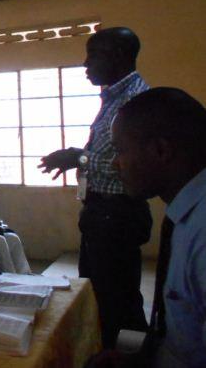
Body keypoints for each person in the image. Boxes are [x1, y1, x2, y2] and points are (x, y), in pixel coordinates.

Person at [39, 26, 152, 348]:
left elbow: (132, 163)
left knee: (116, 300)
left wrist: (79, 157)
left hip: (116, 216)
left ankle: (125, 356)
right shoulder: (114, 98)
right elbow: (109, 152)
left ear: (118, 56)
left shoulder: (134, 101)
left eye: (93, 55)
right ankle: (110, 350)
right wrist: (80, 157)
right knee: (100, 294)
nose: (85, 64)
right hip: (102, 214)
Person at [109, 88, 206, 367]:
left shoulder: (202, 232)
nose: (115, 164)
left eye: (120, 151)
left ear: (161, 150)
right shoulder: (185, 214)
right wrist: (141, 354)